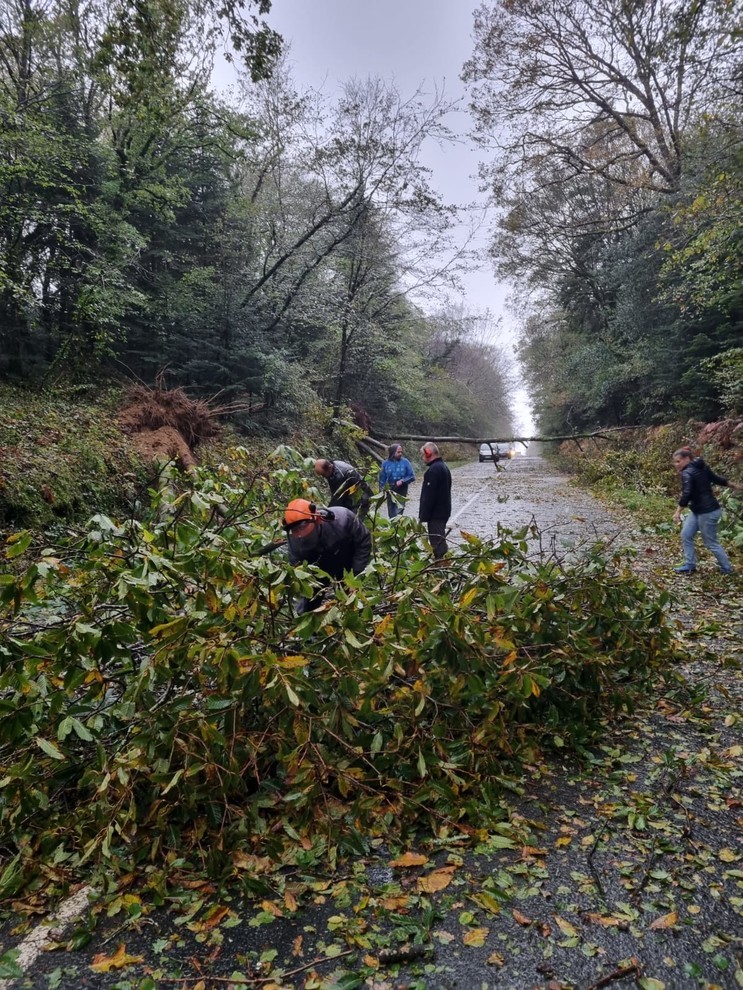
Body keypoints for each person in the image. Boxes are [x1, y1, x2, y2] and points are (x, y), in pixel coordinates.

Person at [283, 498, 372, 612]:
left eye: (303, 526)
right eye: (295, 529)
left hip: (347, 558)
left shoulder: (343, 519)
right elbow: (297, 570)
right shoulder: (296, 544)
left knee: (351, 601)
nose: (300, 534)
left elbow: (363, 541)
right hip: (318, 568)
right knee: (307, 606)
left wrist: (355, 574)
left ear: (318, 520)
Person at [672, 447, 743, 575]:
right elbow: (717, 479)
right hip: (697, 510)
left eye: (678, 461)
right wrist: (734, 485)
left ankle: (727, 569)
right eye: (675, 462)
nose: (676, 465)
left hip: (708, 512)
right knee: (686, 534)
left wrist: (678, 512)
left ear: (687, 459)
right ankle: (690, 565)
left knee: (711, 542)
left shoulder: (687, 473)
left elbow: (687, 493)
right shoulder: (701, 467)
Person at [418, 442, 452, 559]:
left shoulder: (434, 470)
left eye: (423, 455)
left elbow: (429, 496)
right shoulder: (443, 467)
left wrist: (423, 516)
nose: (422, 458)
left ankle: (441, 565)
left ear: (428, 454)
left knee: (437, 543)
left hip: (436, 514)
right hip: (442, 512)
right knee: (439, 540)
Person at [378, 443, 416, 518]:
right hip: (390, 490)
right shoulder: (385, 463)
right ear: (393, 452)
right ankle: (393, 528)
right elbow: (382, 478)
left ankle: (398, 527)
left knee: (398, 513)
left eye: (401, 452)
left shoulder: (405, 462)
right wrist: (381, 490)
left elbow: (412, 476)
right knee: (391, 514)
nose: (400, 454)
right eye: (398, 452)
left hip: (402, 489)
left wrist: (402, 481)